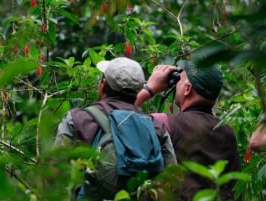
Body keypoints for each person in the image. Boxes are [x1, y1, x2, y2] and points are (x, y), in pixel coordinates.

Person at [54, 57, 177, 200]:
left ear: (104, 84)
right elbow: (172, 182)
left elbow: (53, 172)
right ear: (138, 90)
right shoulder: (156, 126)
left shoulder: (77, 119)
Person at [135, 60, 242, 201]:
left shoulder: (163, 123)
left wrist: (149, 89)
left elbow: (118, 122)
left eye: (179, 80)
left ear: (187, 89)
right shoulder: (228, 132)